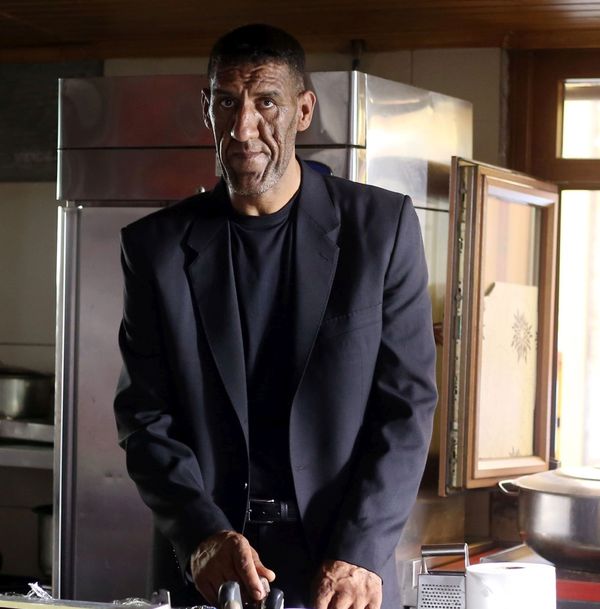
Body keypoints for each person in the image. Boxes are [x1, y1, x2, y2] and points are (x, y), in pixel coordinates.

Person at [114, 23, 437, 609]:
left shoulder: (381, 230)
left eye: (266, 102)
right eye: (226, 103)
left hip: (344, 565)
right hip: (211, 563)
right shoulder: (155, 249)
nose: (243, 128)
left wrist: (360, 549)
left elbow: (406, 406)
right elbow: (145, 416)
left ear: (303, 110)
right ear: (207, 111)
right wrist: (202, 535)